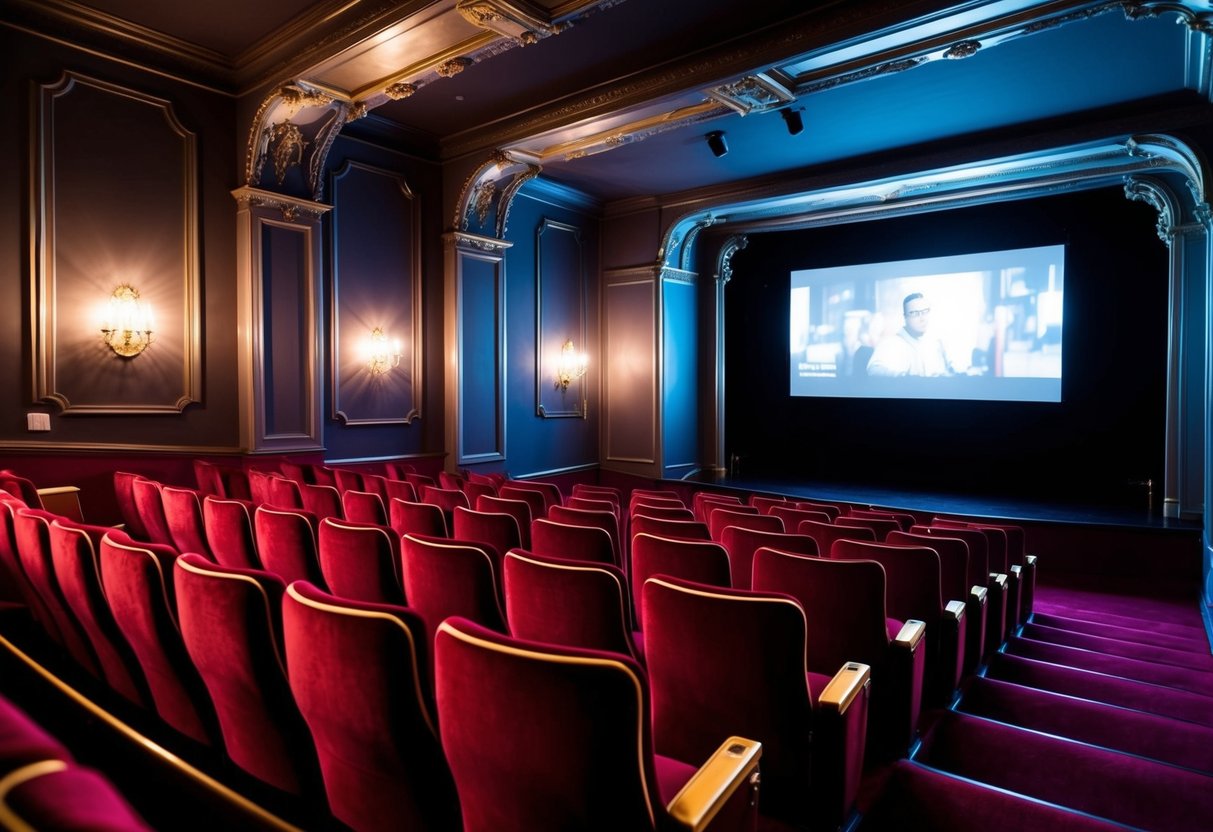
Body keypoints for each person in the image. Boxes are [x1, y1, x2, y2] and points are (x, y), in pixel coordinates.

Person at [865, 292, 954, 377]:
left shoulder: (935, 342)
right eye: (915, 313)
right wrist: (905, 378)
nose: (922, 318)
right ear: (905, 317)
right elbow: (874, 370)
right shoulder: (893, 344)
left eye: (925, 311)